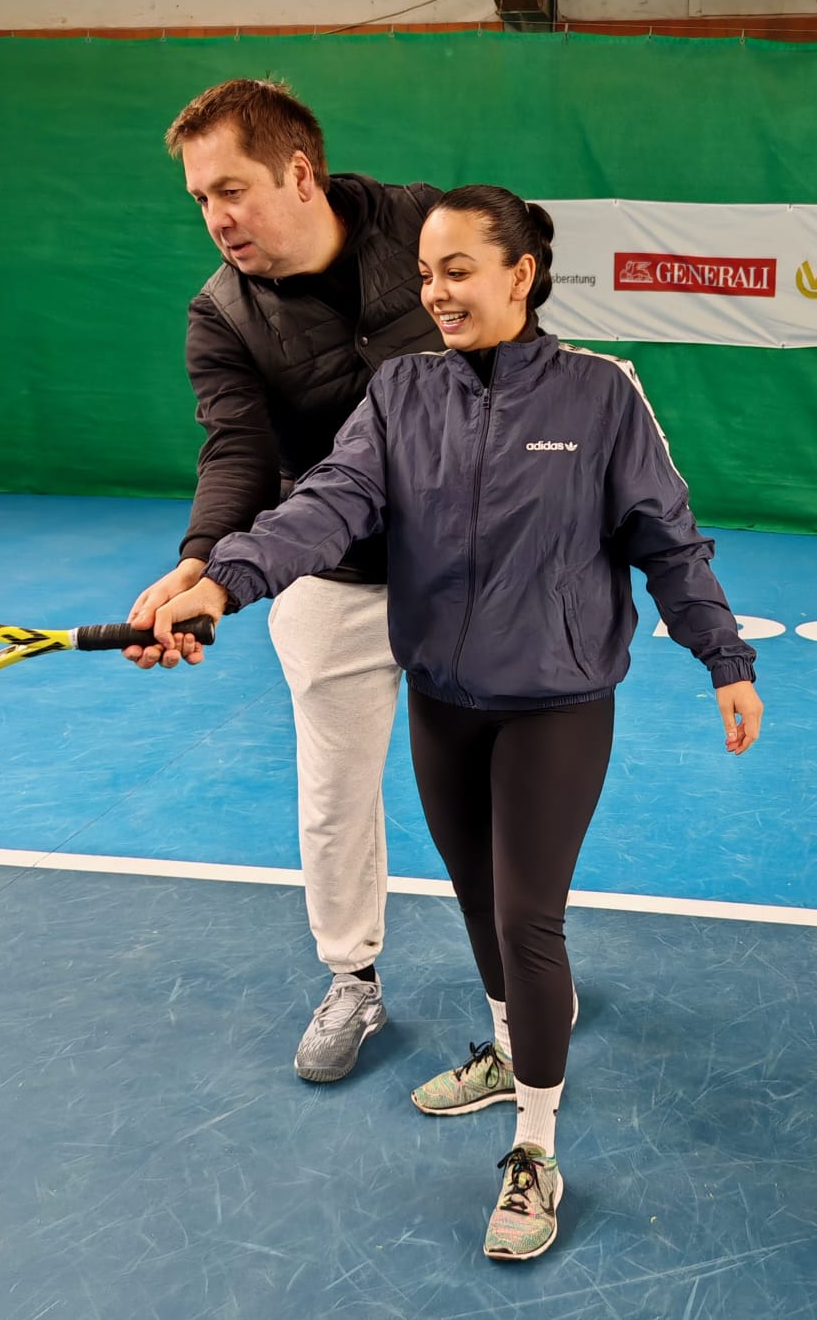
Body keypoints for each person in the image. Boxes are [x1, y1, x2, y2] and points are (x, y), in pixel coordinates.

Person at [150, 184, 763, 1262]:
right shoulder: (401, 393)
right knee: (477, 897)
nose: (436, 292)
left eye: (460, 271)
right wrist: (225, 577)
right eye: (426, 274)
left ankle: (535, 1146)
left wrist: (724, 656)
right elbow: (327, 503)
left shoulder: (601, 394)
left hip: (557, 703)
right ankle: (508, 1044)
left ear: (521, 274)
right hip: (445, 697)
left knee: (528, 917)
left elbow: (667, 536)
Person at [123, 78, 444, 1084]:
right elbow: (237, 451)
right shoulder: (221, 316)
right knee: (334, 793)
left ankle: (527, 966)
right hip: (328, 565)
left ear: (300, 173)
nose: (216, 219)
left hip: (470, 568)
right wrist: (198, 563)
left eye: (232, 190)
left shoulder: (425, 226)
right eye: (200, 200)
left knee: (496, 786)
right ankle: (353, 978)